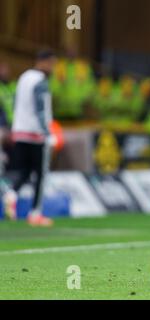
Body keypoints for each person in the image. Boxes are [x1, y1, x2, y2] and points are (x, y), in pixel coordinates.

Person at [2, 49, 56, 227]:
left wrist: (15, 127)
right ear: (44, 62)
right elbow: (40, 109)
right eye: (52, 63)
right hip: (36, 134)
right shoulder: (40, 80)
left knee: (24, 171)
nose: (53, 68)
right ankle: (36, 212)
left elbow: (16, 103)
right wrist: (47, 133)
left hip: (20, 131)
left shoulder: (23, 78)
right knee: (40, 174)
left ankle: (11, 193)